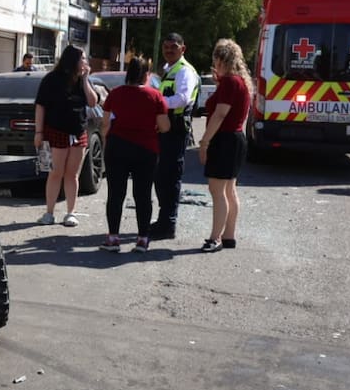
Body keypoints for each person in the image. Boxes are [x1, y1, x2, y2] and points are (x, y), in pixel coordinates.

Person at [99, 56, 170, 252]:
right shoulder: (155, 96)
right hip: (146, 149)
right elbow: (164, 126)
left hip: (117, 147)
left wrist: (107, 141)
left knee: (116, 194)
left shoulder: (115, 93)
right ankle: (142, 238)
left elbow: (105, 124)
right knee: (143, 194)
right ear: (146, 75)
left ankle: (113, 238)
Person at [33, 45, 99, 227]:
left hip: (78, 132)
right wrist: (38, 132)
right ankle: (49, 213)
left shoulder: (82, 80)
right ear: (73, 60)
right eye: (83, 58)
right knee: (56, 173)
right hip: (56, 131)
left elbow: (93, 102)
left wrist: (85, 79)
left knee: (72, 174)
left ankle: (70, 213)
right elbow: (40, 106)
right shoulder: (52, 79)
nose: (86, 62)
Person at [197, 39, 252, 252]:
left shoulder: (230, 82)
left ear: (221, 59)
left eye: (215, 59)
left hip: (225, 139)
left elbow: (220, 114)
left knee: (217, 190)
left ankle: (215, 238)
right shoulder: (238, 82)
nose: (214, 62)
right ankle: (228, 236)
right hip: (236, 138)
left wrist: (205, 142)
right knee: (229, 190)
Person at [149, 33, 200, 240]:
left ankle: (168, 224)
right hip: (166, 130)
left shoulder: (184, 71)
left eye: (174, 47)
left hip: (176, 131)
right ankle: (163, 220)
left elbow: (182, 99)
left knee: (170, 178)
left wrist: (156, 102)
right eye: (166, 46)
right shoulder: (169, 70)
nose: (169, 50)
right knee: (162, 177)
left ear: (183, 49)